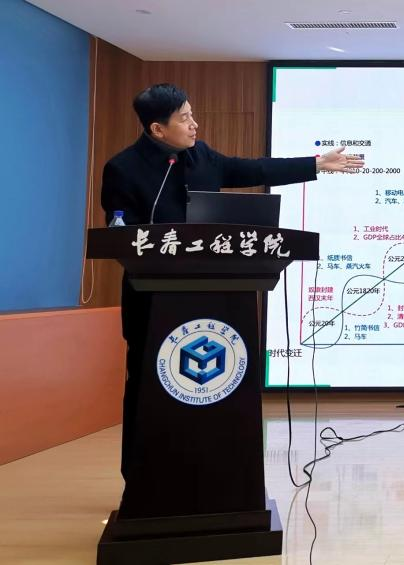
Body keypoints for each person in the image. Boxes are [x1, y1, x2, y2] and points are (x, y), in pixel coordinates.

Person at [101, 83, 364, 478]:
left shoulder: (201, 156)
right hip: (151, 302)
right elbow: (121, 234)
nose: (194, 124)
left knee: (219, 386)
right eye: (184, 119)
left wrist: (315, 164)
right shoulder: (122, 168)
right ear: (157, 129)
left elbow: (253, 168)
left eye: (192, 114)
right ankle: (143, 480)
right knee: (147, 385)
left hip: (214, 297)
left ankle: (216, 475)